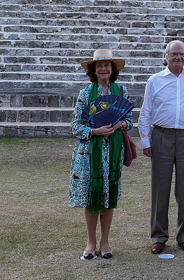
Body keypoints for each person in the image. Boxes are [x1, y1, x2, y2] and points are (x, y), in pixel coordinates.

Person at [138, 40, 184, 254]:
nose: (178, 58)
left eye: (182, 54)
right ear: (166, 56)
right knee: (160, 188)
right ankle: (159, 236)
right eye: (174, 54)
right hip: (161, 135)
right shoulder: (154, 80)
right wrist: (145, 141)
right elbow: (146, 112)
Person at [69, 49, 133, 260]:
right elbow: (76, 126)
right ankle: (90, 243)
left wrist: (121, 124)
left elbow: (130, 122)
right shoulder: (85, 94)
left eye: (107, 65)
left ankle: (105, 242)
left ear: (112, 69)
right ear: (94, 71)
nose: (103, 69)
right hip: (89, 154)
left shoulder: (121, 92)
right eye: (99, 66)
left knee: (108, 196)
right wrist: (95, 131)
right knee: (91, 196)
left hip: (111, 155)